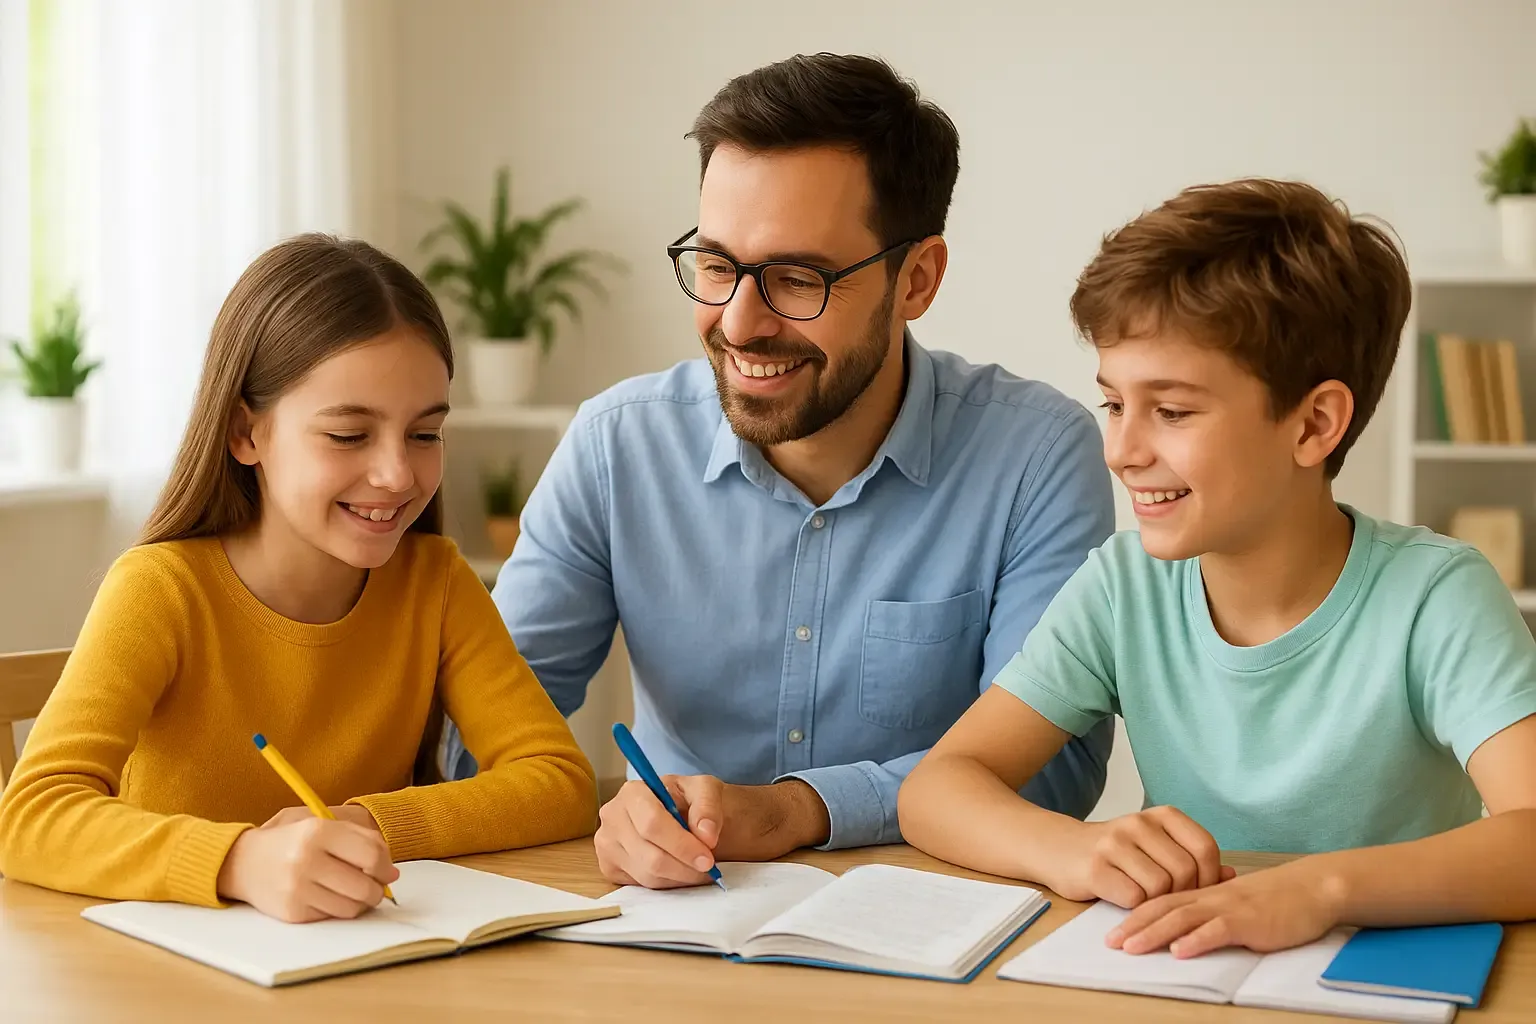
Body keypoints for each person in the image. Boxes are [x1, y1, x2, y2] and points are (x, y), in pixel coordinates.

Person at [446, 53, 1116, 888]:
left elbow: (1048, 774)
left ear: (917, 279)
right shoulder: (618, 445)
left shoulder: (1034, 455)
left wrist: (800, 808)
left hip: (937, 930)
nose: (739, 322)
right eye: (719, 266)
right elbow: (482, 739)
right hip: (677, 922)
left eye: (797, 278)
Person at [897, 178, 1536, 958]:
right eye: (1114, 404)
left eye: (1170, 411)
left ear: (1314, 424)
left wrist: (1318, 889)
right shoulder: (1123, 585)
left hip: (1382, 979)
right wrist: (1071, 850)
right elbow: (938, 789)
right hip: (1185, 975)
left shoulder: (1436, 596)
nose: (1123, 450)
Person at [0, 234, 598, 922]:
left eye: (425, 433)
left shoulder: (434, 583)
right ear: (245, 434)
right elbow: (32, 817)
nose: (398, 474)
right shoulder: (161, 590)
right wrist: (241, 860)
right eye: (349, 435)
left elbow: (558, 782)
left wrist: (362, 826)